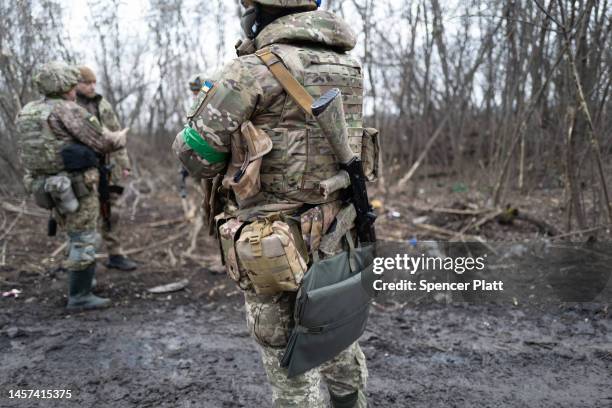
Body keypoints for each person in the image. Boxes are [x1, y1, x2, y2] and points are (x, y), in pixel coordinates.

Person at [173, 1, 370, 406]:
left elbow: (196, 156)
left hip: (275, 237)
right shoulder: (347, 65)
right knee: (334, 329)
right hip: (337, 224)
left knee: (286, 357)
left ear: (255, 11)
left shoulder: (252, 69)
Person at [16, 61, 128, 310]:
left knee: (73, 234)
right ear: (66, 85)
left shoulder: (28, 110)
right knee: (84, 237)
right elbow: (101, 142)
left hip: (44, 185)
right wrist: (119, 138)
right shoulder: (68, 110)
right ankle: (80, 295)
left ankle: (84, 284)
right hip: (75, 184)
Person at [75, 65, 137, 271]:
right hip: (82, 169)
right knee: (85, 215)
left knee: (112, 211)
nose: (92, 86)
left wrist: (124, 164)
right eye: (87, 83)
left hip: (107, 167)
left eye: (94, 82)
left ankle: (115, 254)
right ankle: (83, 262)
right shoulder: (70, 106)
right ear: (76, 84)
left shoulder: (103, 104)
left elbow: (117, 135)